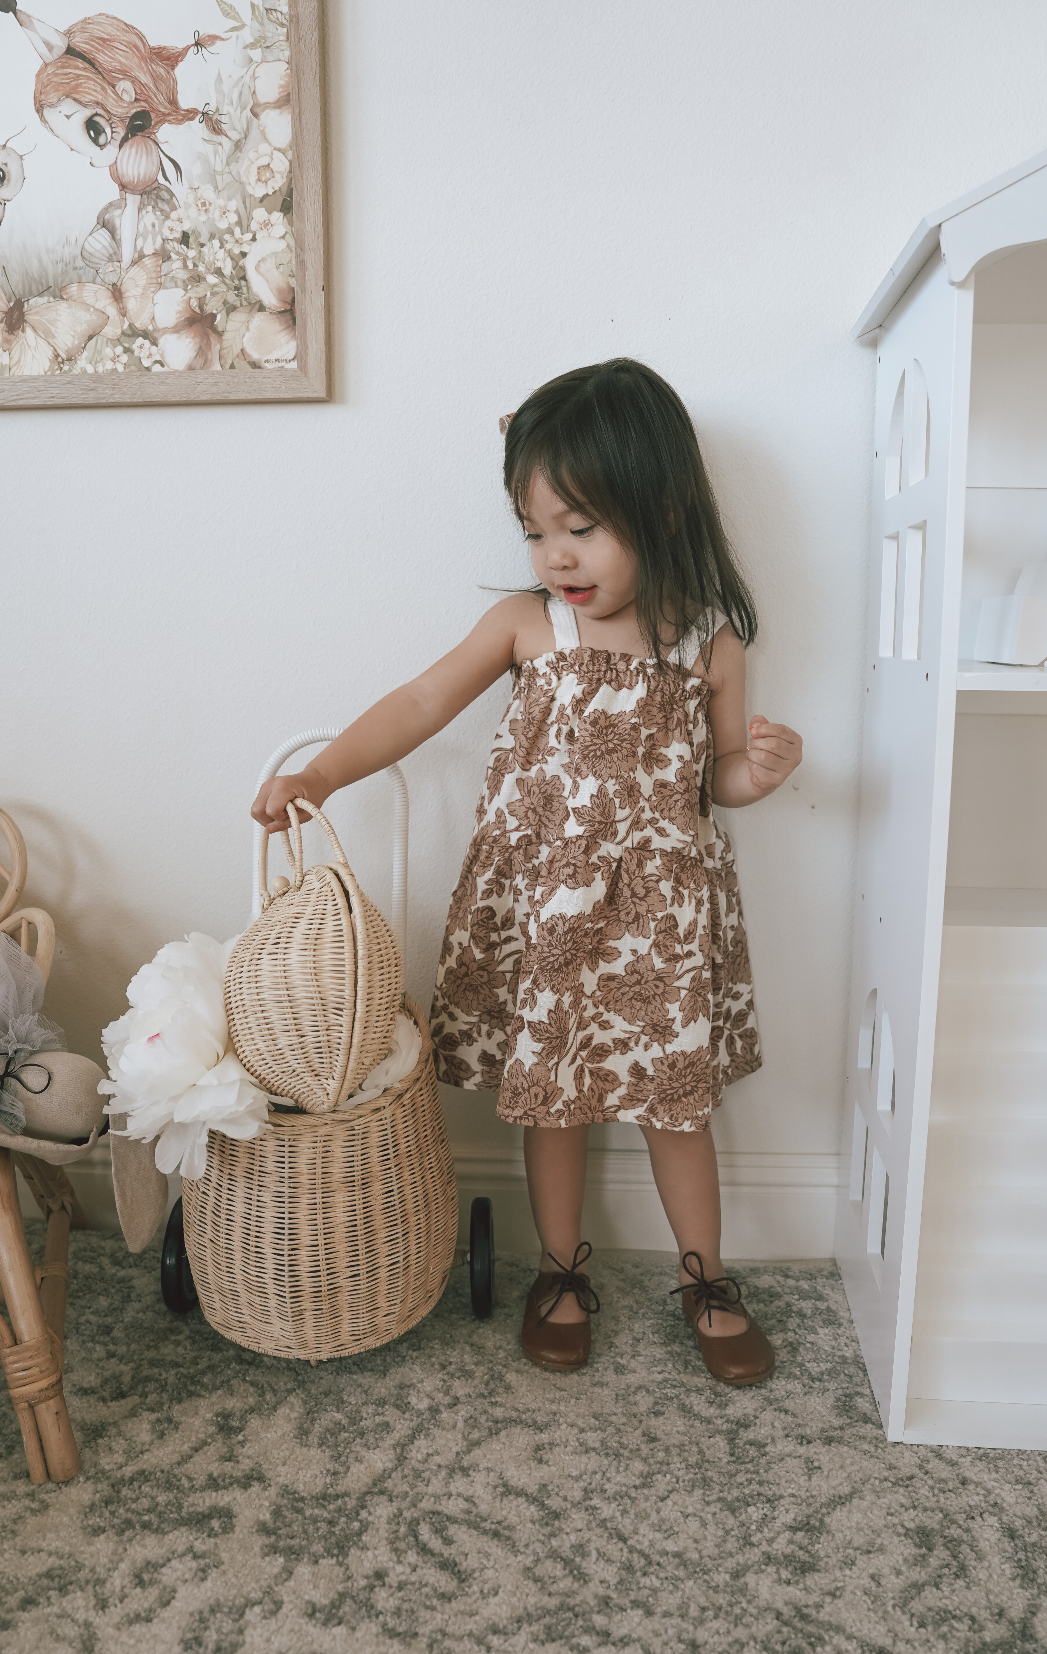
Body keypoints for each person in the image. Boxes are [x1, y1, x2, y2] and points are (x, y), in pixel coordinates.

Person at [252, 359, 803, 1383]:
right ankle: (560, 1268)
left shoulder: (707, 642)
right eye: (535, 530)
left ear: (662, 502)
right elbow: (421, 703)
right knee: (551, 1098)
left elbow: (715, 779)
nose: (556, 556)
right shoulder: (524, 624)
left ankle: (705, 1275)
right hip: (548, 916)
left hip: (660, 924)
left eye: (581, 526)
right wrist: (320, 772)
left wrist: (758, 772)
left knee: (673, 1104)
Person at [1, 6, 226, 271]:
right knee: (96, 247)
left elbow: (133, 211)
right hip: (138, 217)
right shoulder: (126, 148)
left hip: (151, 220)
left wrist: (127, 268)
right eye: (78, 149)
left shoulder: (138, 152)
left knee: (99, 248)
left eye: (95, 132)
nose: (95, 161)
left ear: (124, 93)